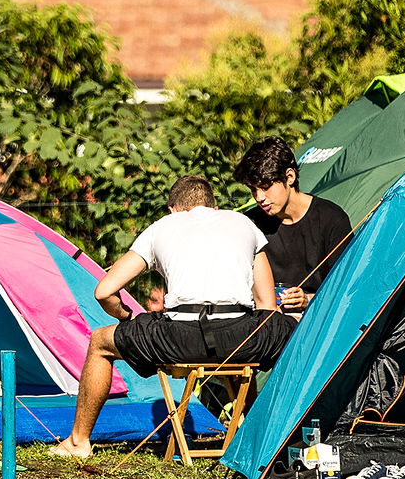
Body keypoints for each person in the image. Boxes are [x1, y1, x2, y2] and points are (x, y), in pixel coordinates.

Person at [49, 174, 295, 457]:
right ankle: (263, 433)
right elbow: (267, 306)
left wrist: (126, 315)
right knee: (283, 329)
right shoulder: (242, 223)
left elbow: (104, 291)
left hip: (179, 338)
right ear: (213, 208)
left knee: (100, 342)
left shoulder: (162, 226)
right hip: (241, 338)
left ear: (173, 209)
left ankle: (79, 441)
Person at [238, 136, 353, 317]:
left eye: (265, 186)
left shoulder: (332, 219)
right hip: (263, 323)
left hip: (317, 319)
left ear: (289, 177)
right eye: (253, 189)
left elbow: (347, 290)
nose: (259, 197)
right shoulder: (249, 223)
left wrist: (307, 300)